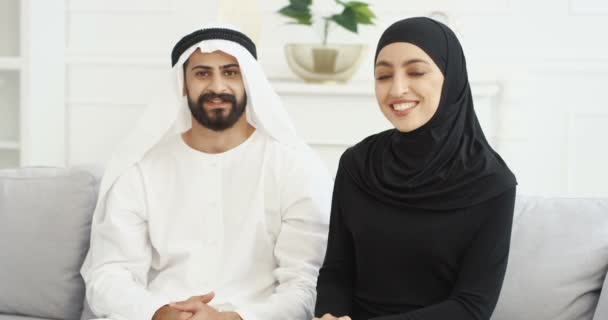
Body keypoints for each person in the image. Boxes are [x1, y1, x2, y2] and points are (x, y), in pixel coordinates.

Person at [80, 25, 333, 320]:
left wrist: (235, 319)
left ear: (248, 80)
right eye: (202, 73)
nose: (217, 86)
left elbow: (304, 286)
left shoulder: (294, 167)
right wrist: (161, 313)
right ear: (183, 84)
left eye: (230, 72)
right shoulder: (142, 170)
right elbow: (109, 274)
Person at [314, 17, 518, 320]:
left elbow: (472, 307)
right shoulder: (357, 163)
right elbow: (336, 271)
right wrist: (330, 315)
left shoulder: (492, 182)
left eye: (416, 72)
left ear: (451, 77)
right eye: (383, 76)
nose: (397, 89)